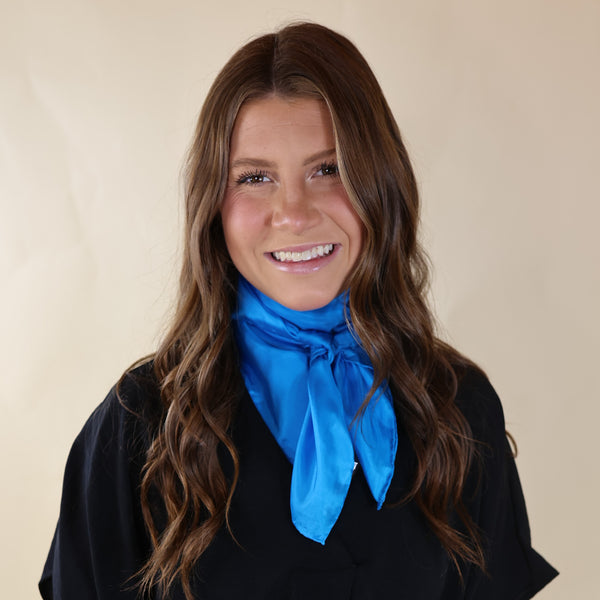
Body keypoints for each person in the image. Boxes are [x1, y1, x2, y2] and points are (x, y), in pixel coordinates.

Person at [39, 22, 558, 600]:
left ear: (379, 184)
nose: (292, 212)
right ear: (213, 205)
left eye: (327, 169)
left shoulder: (460, 412)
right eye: (254, 177)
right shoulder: (138, 428)